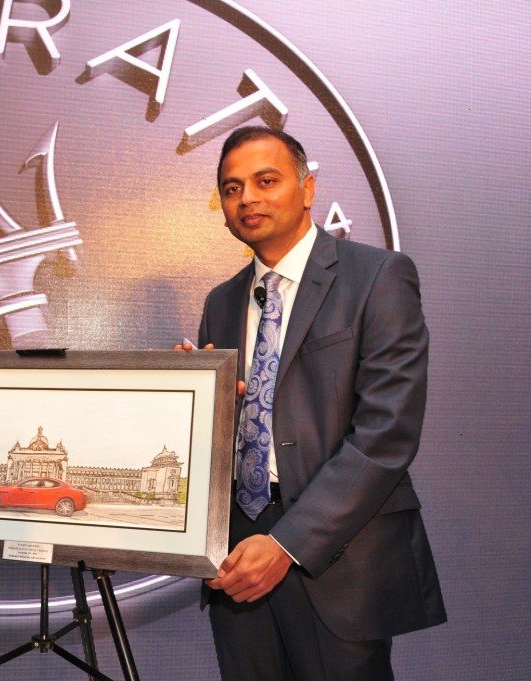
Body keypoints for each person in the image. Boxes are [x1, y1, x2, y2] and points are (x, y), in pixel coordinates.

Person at [180, 126, 446, 680]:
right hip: (238, 555)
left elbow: (386, 434)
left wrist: (287, 543)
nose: (247, 197)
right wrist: (197, 398)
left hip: (338, 555)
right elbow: (224, 442)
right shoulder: (221, 301)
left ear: (307, 189)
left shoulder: (377, 276)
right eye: (232, 188)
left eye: (265, 180)